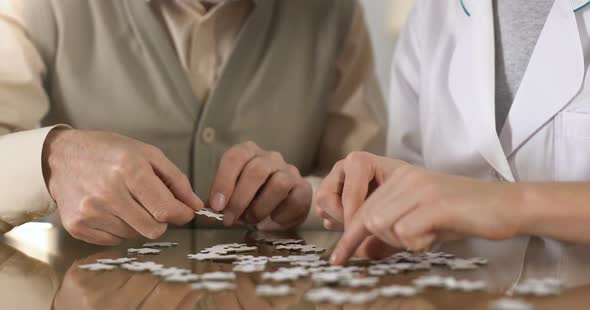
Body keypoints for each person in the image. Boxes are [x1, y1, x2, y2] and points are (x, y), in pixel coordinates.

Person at [0, 0, 386, 245]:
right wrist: (52, 159)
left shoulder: (334, 13)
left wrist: (306, 201)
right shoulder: (33, 7)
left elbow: (374, 192)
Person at [316, 0, 590, 265]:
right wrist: (391, 199)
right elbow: (417, 174)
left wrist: (504, 204)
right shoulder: (432, 11)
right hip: (456, 306)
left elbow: (478, 200)